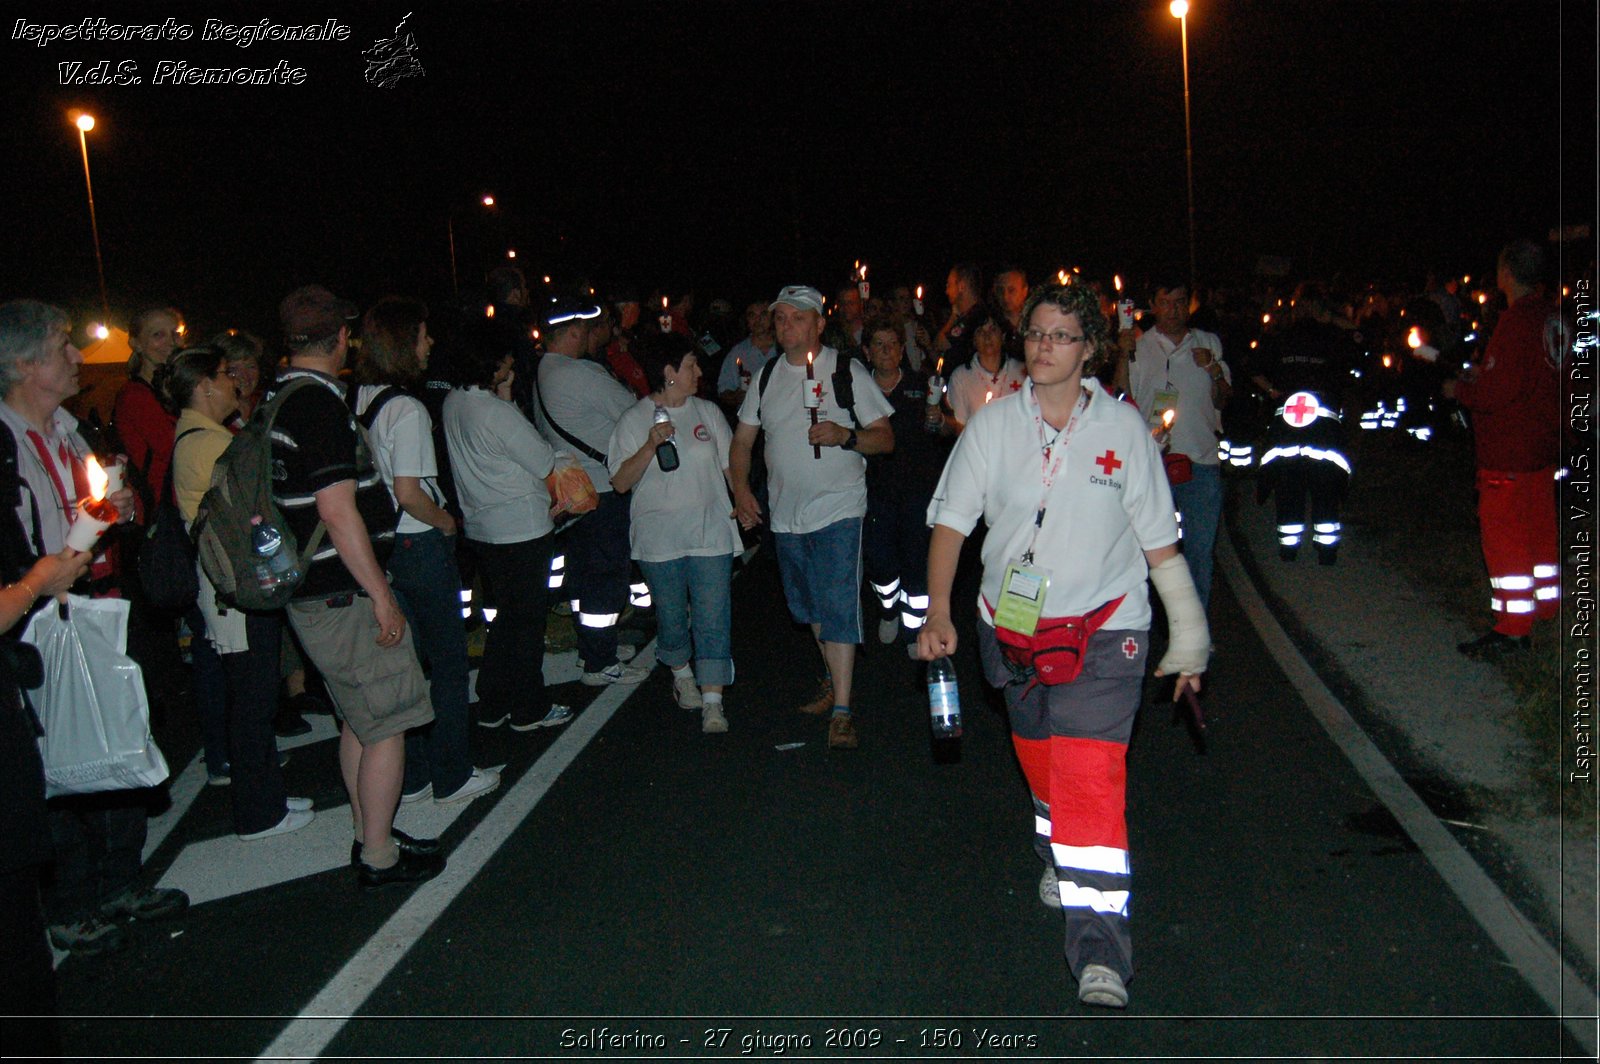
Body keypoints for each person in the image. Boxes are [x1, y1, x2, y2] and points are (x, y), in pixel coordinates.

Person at [919, 283, 1210, 1010]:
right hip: (1009, 629)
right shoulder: (991, 428)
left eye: (1061, 336)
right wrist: (938, 612)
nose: (1044, 347)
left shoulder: (1123, 433)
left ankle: (1101, 952)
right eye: (1037, 334)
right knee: (1041, 761)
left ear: (1089, 350)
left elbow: (1162, 548)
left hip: (1107, 632)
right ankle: (1054, 832)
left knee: (1090, 781)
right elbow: (951, 524)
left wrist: (1191, 634)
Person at [0, 299, 187, 954]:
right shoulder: (5, 443)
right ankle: (72, 900)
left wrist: (120, 506)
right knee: (59, 756)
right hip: (34, 622)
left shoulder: (68, 430)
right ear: (23, 363)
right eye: (61, 347)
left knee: (122, 734)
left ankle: (120, 881)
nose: (78, 358)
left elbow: (95, 508)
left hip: (100, 603)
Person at [271, 285, 443, 890]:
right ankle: (378, 855)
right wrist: (382, 594)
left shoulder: (280, 397)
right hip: (342, 591)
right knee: (390, 721)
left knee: (360, 720)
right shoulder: (315, 407)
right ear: (342, 339)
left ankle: (370, 829)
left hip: (317, 590)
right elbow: (339, 512)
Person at [730, 285, 894, 749]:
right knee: (809, 609)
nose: (786, 327)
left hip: (840, 506)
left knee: (838, 603)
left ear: (820, 324)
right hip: (785, 516)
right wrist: (741, 489)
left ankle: (843, 709)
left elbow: (884, 438)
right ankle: (831, 676)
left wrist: (846, 435)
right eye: (780, 318)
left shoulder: (846, 370)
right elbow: (742, 443)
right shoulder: (764, 379)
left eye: (797, 318)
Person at [354, 298, 501, 805]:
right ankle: (453, 773)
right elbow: (411, 490)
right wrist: (447, 523)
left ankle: (412, 775)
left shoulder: (364, 398)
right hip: (417, 539)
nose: (429, 344)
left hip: (385, 544)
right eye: (421, 335)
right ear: (401, 344)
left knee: (407, 663)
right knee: (449, 661)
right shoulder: (407, 409)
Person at [166, 345, 312, 840]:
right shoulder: (204, 444)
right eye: (226, 376)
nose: (235, 383)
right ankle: (258, 813)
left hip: (232, 586)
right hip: (233, 590)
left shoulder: (202, 436)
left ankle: (265, 796)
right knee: (250, 701)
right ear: (203, 385)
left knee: (254, 695)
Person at [441, 317, 572, 731]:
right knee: (526, 622)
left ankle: (493, 699)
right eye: (505, 358)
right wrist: (506, 398)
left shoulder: (454, 402)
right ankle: (528, 706)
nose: (512, 362)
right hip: (522, 527)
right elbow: (542, 459)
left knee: (507, 618)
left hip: (483, 527)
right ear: (492, 363)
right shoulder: (495, 412)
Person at [608, 331, 740, 733]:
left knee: (713, 616)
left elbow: (730, 467)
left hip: (711, 531)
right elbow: (619, 482)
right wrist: (649, 446)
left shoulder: (708, 412)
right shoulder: (633, 420)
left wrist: (745, 500)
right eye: (690, 365)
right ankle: (682, 676)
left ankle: (713, 701)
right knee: (671, 617)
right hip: (659, 540)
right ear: (668, 372)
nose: (699, 372)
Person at [1443, 239, 1561, 659]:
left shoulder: (1517, 322)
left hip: (1509, 454)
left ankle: (1513, 629)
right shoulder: (1554, 319)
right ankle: (1546, 606)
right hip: (1543, 449)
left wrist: (1460, 387)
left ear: (1506, 273)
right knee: (1539, 533)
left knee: (1506, 540)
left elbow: (1496, 391)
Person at [532, 294, 652, 686]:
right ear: (572, 332)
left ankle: (594, 649)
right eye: (584, 328)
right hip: (603, 491)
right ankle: (600, 663)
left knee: (586, 576)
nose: (589, 335)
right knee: (606, 574)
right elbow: (633, 410)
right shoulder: (579, 374)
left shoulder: (542, 373)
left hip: (579, 493)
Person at [1128, 276, 1232, 609]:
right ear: (1153, 305)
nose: (1174, 310)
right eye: (1166, 301)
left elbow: (1224, 400)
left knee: (1200, 553)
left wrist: (1214, 370)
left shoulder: (1208, 342)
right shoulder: (1140, 347)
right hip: (1153, 463)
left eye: (1180, 301)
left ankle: (1195, 629)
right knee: (1149, 552)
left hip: (1201, 461)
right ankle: (1144, 622)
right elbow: (1123, 397)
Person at [1252, 284, 1356, 563]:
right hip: (1324, 435)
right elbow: (1357, 356)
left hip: (1287, 432)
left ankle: (1289, 551)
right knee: (1325, 489)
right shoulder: (1334, 338)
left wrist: (1273, 392)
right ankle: (1326, 553)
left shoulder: (1281, 337)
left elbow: (1254, 369)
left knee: (1288, 488)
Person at [862, 317, 944, 651]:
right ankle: (887, 608)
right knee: (880, 560)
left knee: (916, 560)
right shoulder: (856, 388)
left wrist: (937, 420)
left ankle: (914, 629)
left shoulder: (921, 384)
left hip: (916, 491)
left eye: (892, 344)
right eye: (878, 344)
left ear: (901, 349)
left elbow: (941, 430)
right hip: (873, 492)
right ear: (867, 351)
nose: (886, 351)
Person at [114, 306, 182, 512]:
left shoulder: (172, 391)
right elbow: (176, 448)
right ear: (136, 344)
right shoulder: (135, 396)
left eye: (175, 334)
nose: (171, 342)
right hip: (162, 512)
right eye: (158, 335)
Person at [942, 305, 1027, 433]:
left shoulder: (1022, 372)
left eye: (992, 330)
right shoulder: (961, 377)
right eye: (980, 332)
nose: (987, 337)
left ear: (1003, 335)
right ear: (974, 340)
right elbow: (960, 429)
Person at [716, 301, 778, 410]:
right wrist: (736, 397)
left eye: (763, 314)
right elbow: (724, 390)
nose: (758, 320)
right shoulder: (738, 352)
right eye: (752, 315)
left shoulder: (784, 349)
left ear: (773, 317)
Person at [933, 262, 986, 366]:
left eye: (949, 285)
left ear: (961, 287)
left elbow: (940, 344)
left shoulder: (973, 318)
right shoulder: (976, 313)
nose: (946, 291)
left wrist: (953, 317)